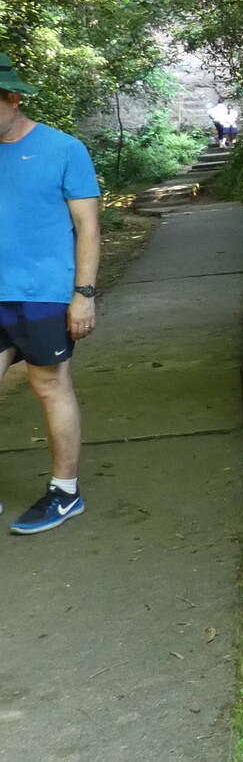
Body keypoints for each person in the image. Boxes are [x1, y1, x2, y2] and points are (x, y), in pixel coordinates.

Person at [0, 53, 100, 535]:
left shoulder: (63, 148)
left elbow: (87, 226)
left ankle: (65, 492)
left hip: (44, 293)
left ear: (13, 98)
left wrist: (83, 293)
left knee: (49, 385)